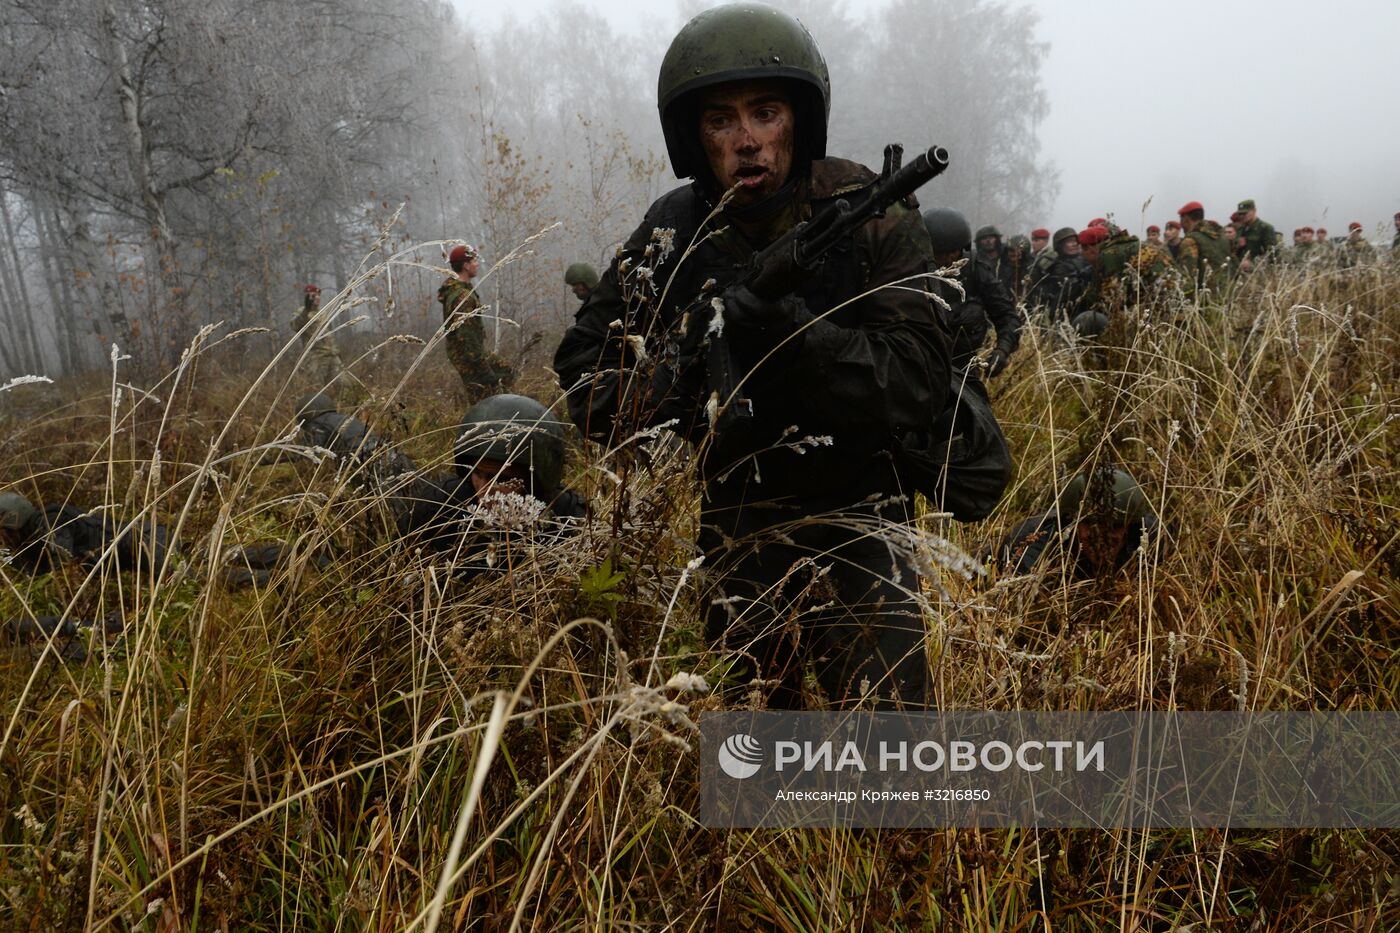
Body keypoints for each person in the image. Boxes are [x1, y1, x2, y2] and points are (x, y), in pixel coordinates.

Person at [553, 2, 951, 709]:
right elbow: (583, 369)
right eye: (720, 121)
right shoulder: (674, 228)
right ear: (693, 136)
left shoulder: (871, 211)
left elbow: (916, 385)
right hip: (737, 515)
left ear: (799, 118)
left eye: (765, 112)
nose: (746, 141)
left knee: (891, 742)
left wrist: (796, 336)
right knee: (756, 744)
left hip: (861, 509)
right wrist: (686, 387)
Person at [989, 468, 1163, 579]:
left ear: (1129, 529)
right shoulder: (1033, 545)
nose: (1100, 537)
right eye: (1090, 524)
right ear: (1072, 523)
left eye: (1114, 526)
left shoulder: (1150, 540)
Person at [923, 208, 1021, 376]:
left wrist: (1001, 351)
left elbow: (1006, 315)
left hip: (963, 365)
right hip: (919, 361)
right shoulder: (910, 268)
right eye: (940, 254)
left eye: (952, 252)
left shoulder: (975, 268)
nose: (947, 260)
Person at [0, 490, 174, 575]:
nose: (3, 538)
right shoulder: (30, 541)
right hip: (140, 544)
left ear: (15, 522)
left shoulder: (51, 520)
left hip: (144, 538)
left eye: (4, 531)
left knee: (183, 586)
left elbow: (62, 563)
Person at [439, 244, 514, 396]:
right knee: (485, 396)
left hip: (468, 353)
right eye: (474, 261)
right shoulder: (463, 296)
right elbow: (467, 337)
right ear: (466, 266)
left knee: (506, 372)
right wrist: (484, 369)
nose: (477, 264)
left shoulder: (458, 289)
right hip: (469, 357)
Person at [1027, 227, 1091, 322]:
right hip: (1057, 309)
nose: (1074, 244)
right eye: (1069, 241)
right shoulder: (1050, 263)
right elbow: (1035, 284)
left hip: (1082, 307)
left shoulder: (1086, 260)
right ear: (1060, 245)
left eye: (1075, 241)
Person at [1174, 201, 1231, 299]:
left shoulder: (1190, 241)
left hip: (1205, 298)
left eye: (1181, 219)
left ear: (1187, 219)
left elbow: (1188, 276)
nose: (1180, 224)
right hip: (1227, 292)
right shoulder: (1222, 236)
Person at [292, 284, 344, 389]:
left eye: (318, 295)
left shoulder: (323, 312)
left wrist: (336, 352)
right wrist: (306, 310)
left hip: (332, 355)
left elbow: (330, 334)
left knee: (343, 384)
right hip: (317, 357)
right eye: (314, 295)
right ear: (307, 296)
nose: (317, 298)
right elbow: (294, 325)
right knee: (317, 387)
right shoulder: (302, 312)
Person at [1233, 199, 1278, 271]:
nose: (1242, 216)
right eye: (1240, 214)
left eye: (1245, 213)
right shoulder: (1240, 230)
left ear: (1254, 211)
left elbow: (1272, 254)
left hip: (1258, 274)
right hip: (1240, 273)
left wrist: (1253, 264)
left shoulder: (1265, 228)